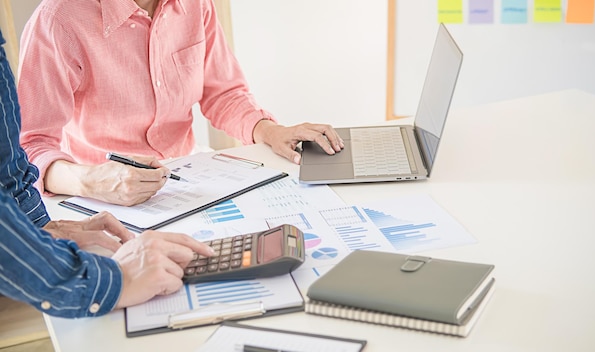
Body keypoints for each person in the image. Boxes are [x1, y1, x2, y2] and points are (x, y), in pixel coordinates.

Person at [17, 0, 345, 207]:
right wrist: (90, 181)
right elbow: (31, 145)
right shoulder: (58, 19)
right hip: (97, 195)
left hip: (186, 176)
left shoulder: (197, 4)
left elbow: (224, 93)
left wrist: (269, 131)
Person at [0, 29, 214, 318]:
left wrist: (40, 228)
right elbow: (32, 142)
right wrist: (109, 282)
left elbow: (7, 164)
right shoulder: (57, 20)